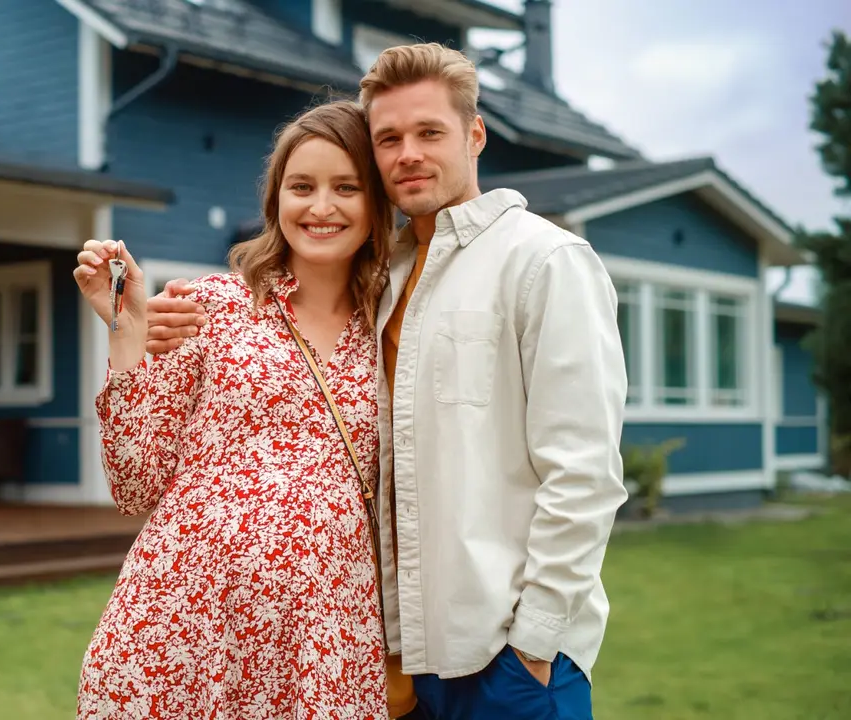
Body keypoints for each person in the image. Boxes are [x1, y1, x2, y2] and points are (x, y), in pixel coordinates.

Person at [145, 42, 629, 720]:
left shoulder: (544, 261)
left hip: (508, 659)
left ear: (475, 135)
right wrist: (157, 328)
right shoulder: (387, 277)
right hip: (399, 660)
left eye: (430, 132)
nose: (409, 154)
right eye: (389, 138)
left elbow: (583, 472)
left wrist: (536, 641)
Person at [71, 100, 401, 719]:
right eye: (301, 186)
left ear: (376, 202)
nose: (321, 207)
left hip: (322, 638)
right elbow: (134, 481)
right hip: (184, 628)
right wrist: (126, 327)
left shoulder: (398, 324)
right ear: (277, 198)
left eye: (346, 187)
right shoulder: (210, 305)